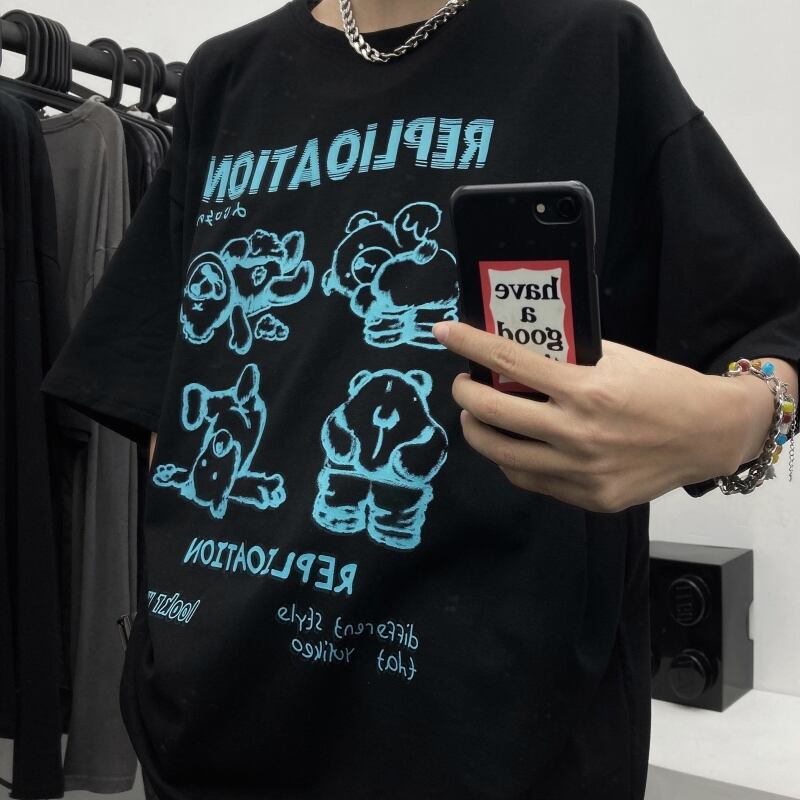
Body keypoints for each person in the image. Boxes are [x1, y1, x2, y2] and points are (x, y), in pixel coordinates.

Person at [41, 0, 800, 798]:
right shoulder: (226, 75)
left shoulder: (591, 48)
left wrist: (732, 426)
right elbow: (166, 384)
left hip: (491, 748)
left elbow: (776, 326)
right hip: (205, 729)